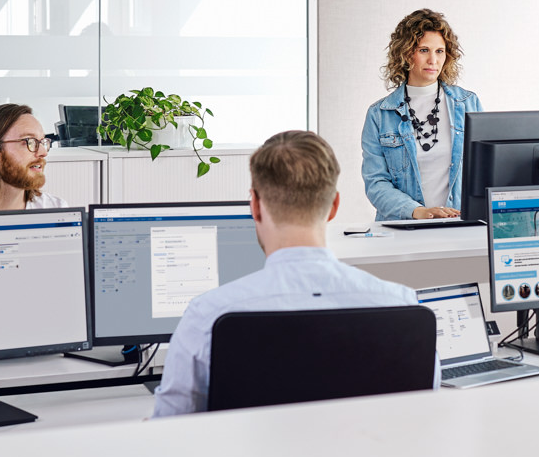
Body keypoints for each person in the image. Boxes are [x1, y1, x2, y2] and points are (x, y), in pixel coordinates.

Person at [152, 130, 439, 417]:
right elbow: (425, 417)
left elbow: (169, 427)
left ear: (254, 205)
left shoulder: (208, 315)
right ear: (334, 206)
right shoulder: (402, 307)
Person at [361, 8, 482, 221]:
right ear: (406, 53)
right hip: (403, 230)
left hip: (459, 227)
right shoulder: (379, 115)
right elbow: (376, 183)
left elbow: (484, 171)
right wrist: (417, 212)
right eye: (424, 50)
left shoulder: (467, 104)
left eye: (440, 51)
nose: (433, 60)